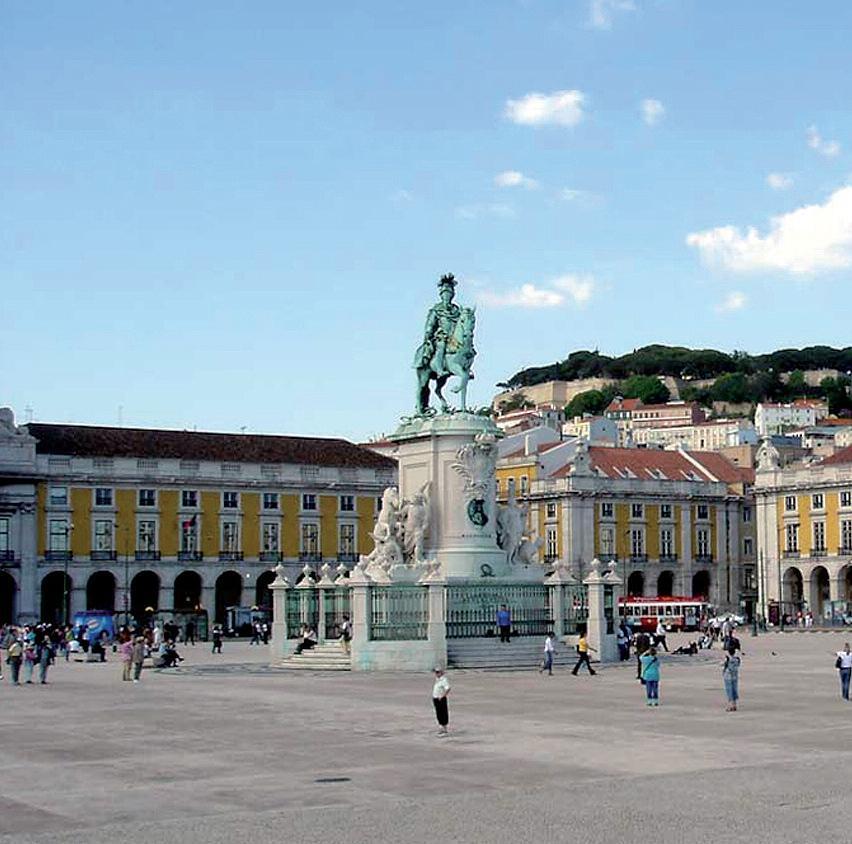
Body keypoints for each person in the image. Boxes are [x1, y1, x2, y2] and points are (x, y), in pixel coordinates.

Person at [431, 667, 451, 736]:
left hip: (441, 698)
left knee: (443, 713)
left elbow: (448, 688)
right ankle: (441, 727)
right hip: (436, 698)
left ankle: (444, 728)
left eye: (438, 672)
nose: (436, 674)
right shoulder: (437, 680)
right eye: (436, 672)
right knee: (438, 713)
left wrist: (443, 696)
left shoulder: (444, 680)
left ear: (441, 673)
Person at [722, 643, 741, 711]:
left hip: (728, 676)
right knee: (734, 690)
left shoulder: (727, 659)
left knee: (729, 691)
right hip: (735, 676)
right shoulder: (737, 659)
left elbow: (723, 665)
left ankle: (731, 706)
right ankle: (734, 704)